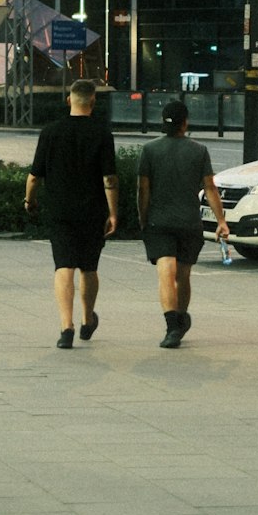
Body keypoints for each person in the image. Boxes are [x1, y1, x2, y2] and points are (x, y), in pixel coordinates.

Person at [25, 79, 119, 349]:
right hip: (92, 211)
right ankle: (88, 320)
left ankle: (66, 327)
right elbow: (109, 178)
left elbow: (34, 177)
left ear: (69, 100)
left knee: (63, 266)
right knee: (89, 267)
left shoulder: (51, 132)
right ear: (93, 102)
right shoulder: (102, 133)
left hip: (59, 211)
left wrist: (29, 200)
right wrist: (113, 212)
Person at [137, 99, 229, 349]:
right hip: (189, 223)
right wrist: (221, 221)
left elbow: (143, 190)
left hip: (159, 221)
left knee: (165, 273)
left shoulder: (150, 150)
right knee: (183, 276)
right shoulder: (199, 150)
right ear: (185, 123)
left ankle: (172, 326)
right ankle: (179, 320)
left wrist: (143, 218)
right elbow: (210, 188)